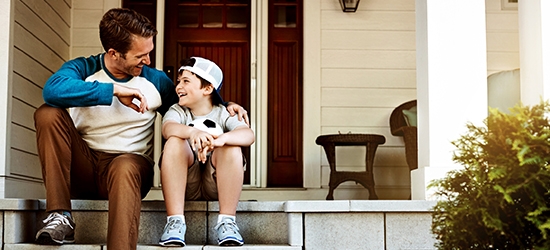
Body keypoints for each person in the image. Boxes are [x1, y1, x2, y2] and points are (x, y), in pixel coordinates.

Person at [33, 8, 248, 250]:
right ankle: (60, 215)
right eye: (140, 56)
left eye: (149, 53)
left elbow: (191, 107)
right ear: (114, 53)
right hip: (82, 166)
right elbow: (52, 91)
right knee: (48, 113)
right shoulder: (83, 69)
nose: (147, 60)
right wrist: (112, 91)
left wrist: (224, 104)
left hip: (130, 166)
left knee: (125, 167)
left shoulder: (156, 81)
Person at [158, 57, 254, 247]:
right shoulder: (178, 111)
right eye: (178, 81)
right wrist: (193, 132)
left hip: (216, 185)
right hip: (187, 185)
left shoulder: (224, 113)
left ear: (207, 89)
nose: (178, 86)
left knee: (232, 146)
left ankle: (227, 222)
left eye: (186, 81)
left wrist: (221, 140)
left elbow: (248, 135)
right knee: (174, 142)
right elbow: (168, 128)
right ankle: (175, 221)